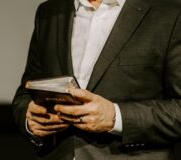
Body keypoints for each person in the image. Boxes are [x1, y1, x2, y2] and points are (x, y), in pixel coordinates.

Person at [12, 0, 181, 159]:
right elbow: (26, 93)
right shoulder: (50, 12)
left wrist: (116, 117)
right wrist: (31, 121)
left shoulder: (170, 13)